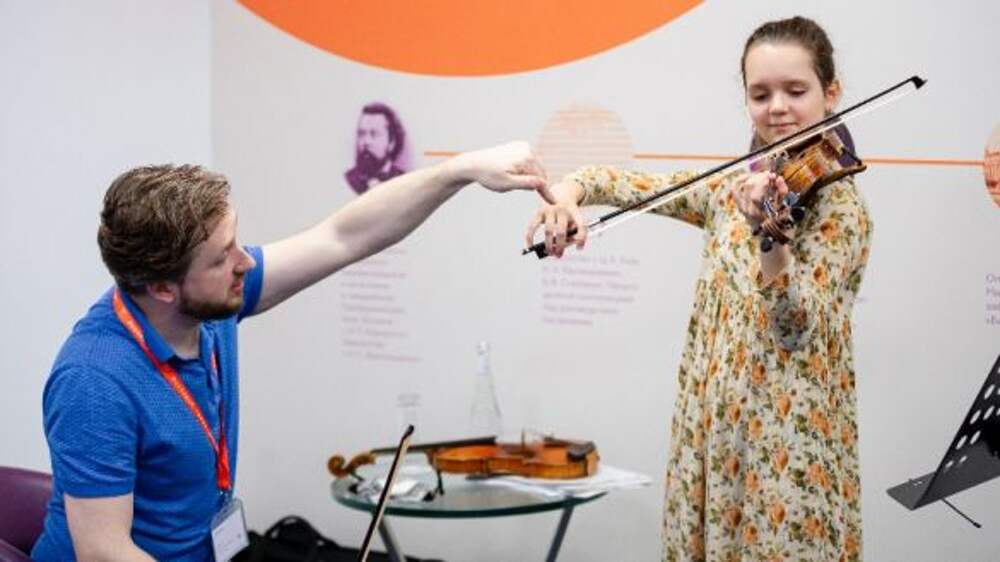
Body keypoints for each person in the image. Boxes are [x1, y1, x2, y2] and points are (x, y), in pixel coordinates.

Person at [33, 141, 551, 561]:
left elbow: (344, 236)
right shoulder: (94, 381)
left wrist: (459, 171)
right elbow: (103, 552)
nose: (244, 262)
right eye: (222, 257)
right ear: (163, 287)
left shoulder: (209, 305)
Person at [526, 16, 870, 562]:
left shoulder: (841, 209)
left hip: (785, 451)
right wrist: (569, 194)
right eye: (761, 94)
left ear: (832, 93)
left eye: (795, 90)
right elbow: (625, 184)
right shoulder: (731, 191)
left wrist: (770, 236)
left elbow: (793, 325)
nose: (777, 107)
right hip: (712, 440)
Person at [345, 102, 408, 194]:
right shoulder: (348, 180)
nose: (366, 142)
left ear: (391, 142)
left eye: (374, 134)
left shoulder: (404, 181)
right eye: (361, 134)